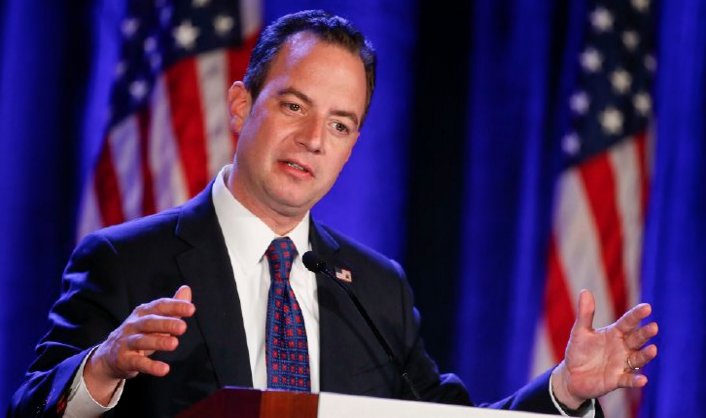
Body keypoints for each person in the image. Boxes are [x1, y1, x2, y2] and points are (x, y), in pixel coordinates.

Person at [9, 10, 658, 418]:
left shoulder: (375, 291)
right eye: (294, 106)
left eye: (340, 124)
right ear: (241, 106)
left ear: (352, 147)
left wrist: (565, 390)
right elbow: (30, 407)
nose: (314, 139)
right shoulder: (126, 260)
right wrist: (102, 369)